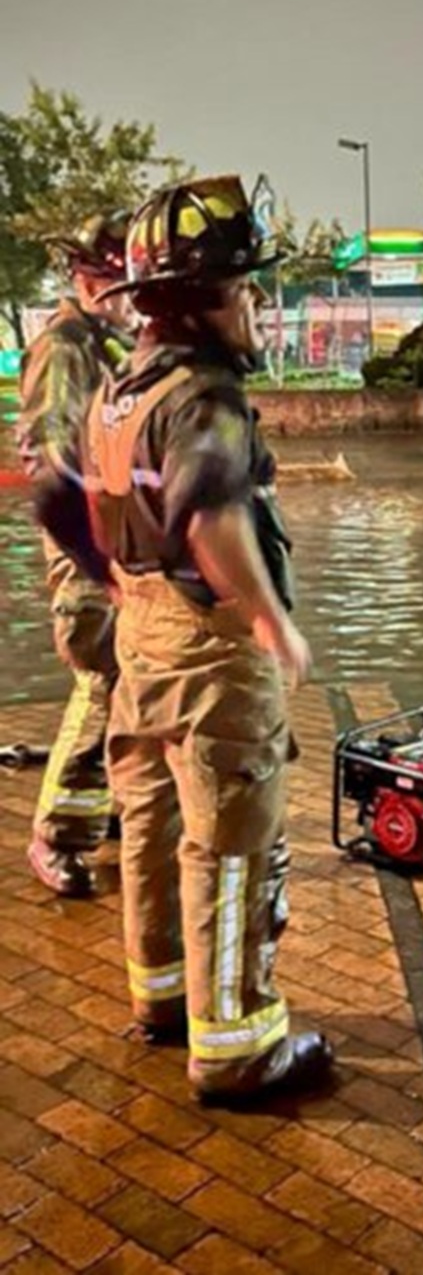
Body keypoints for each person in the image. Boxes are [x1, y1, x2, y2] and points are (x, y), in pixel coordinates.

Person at [31, 175, 330, 1102]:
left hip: (143, 641)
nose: (254, 309)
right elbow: (209, 510)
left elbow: (54, 494)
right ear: (201, 299)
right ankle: (238, 1046)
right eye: (244, 291)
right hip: (209, 649)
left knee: (154, 826)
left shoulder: (116, 393)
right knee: (231, 840)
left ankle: (164, 998)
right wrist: (271, 623)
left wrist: (116, 576)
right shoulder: (207, 396)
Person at [16, 211, 136, 897]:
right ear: (87, 278)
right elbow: (46, 454)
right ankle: (57, 834)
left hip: (121, 539)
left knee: (129, 685)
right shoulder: (66, 346)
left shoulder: (110, 342)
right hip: (88, 547)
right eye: (116, 280)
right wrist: (92, 555)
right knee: (101, 683)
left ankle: (111, 808)